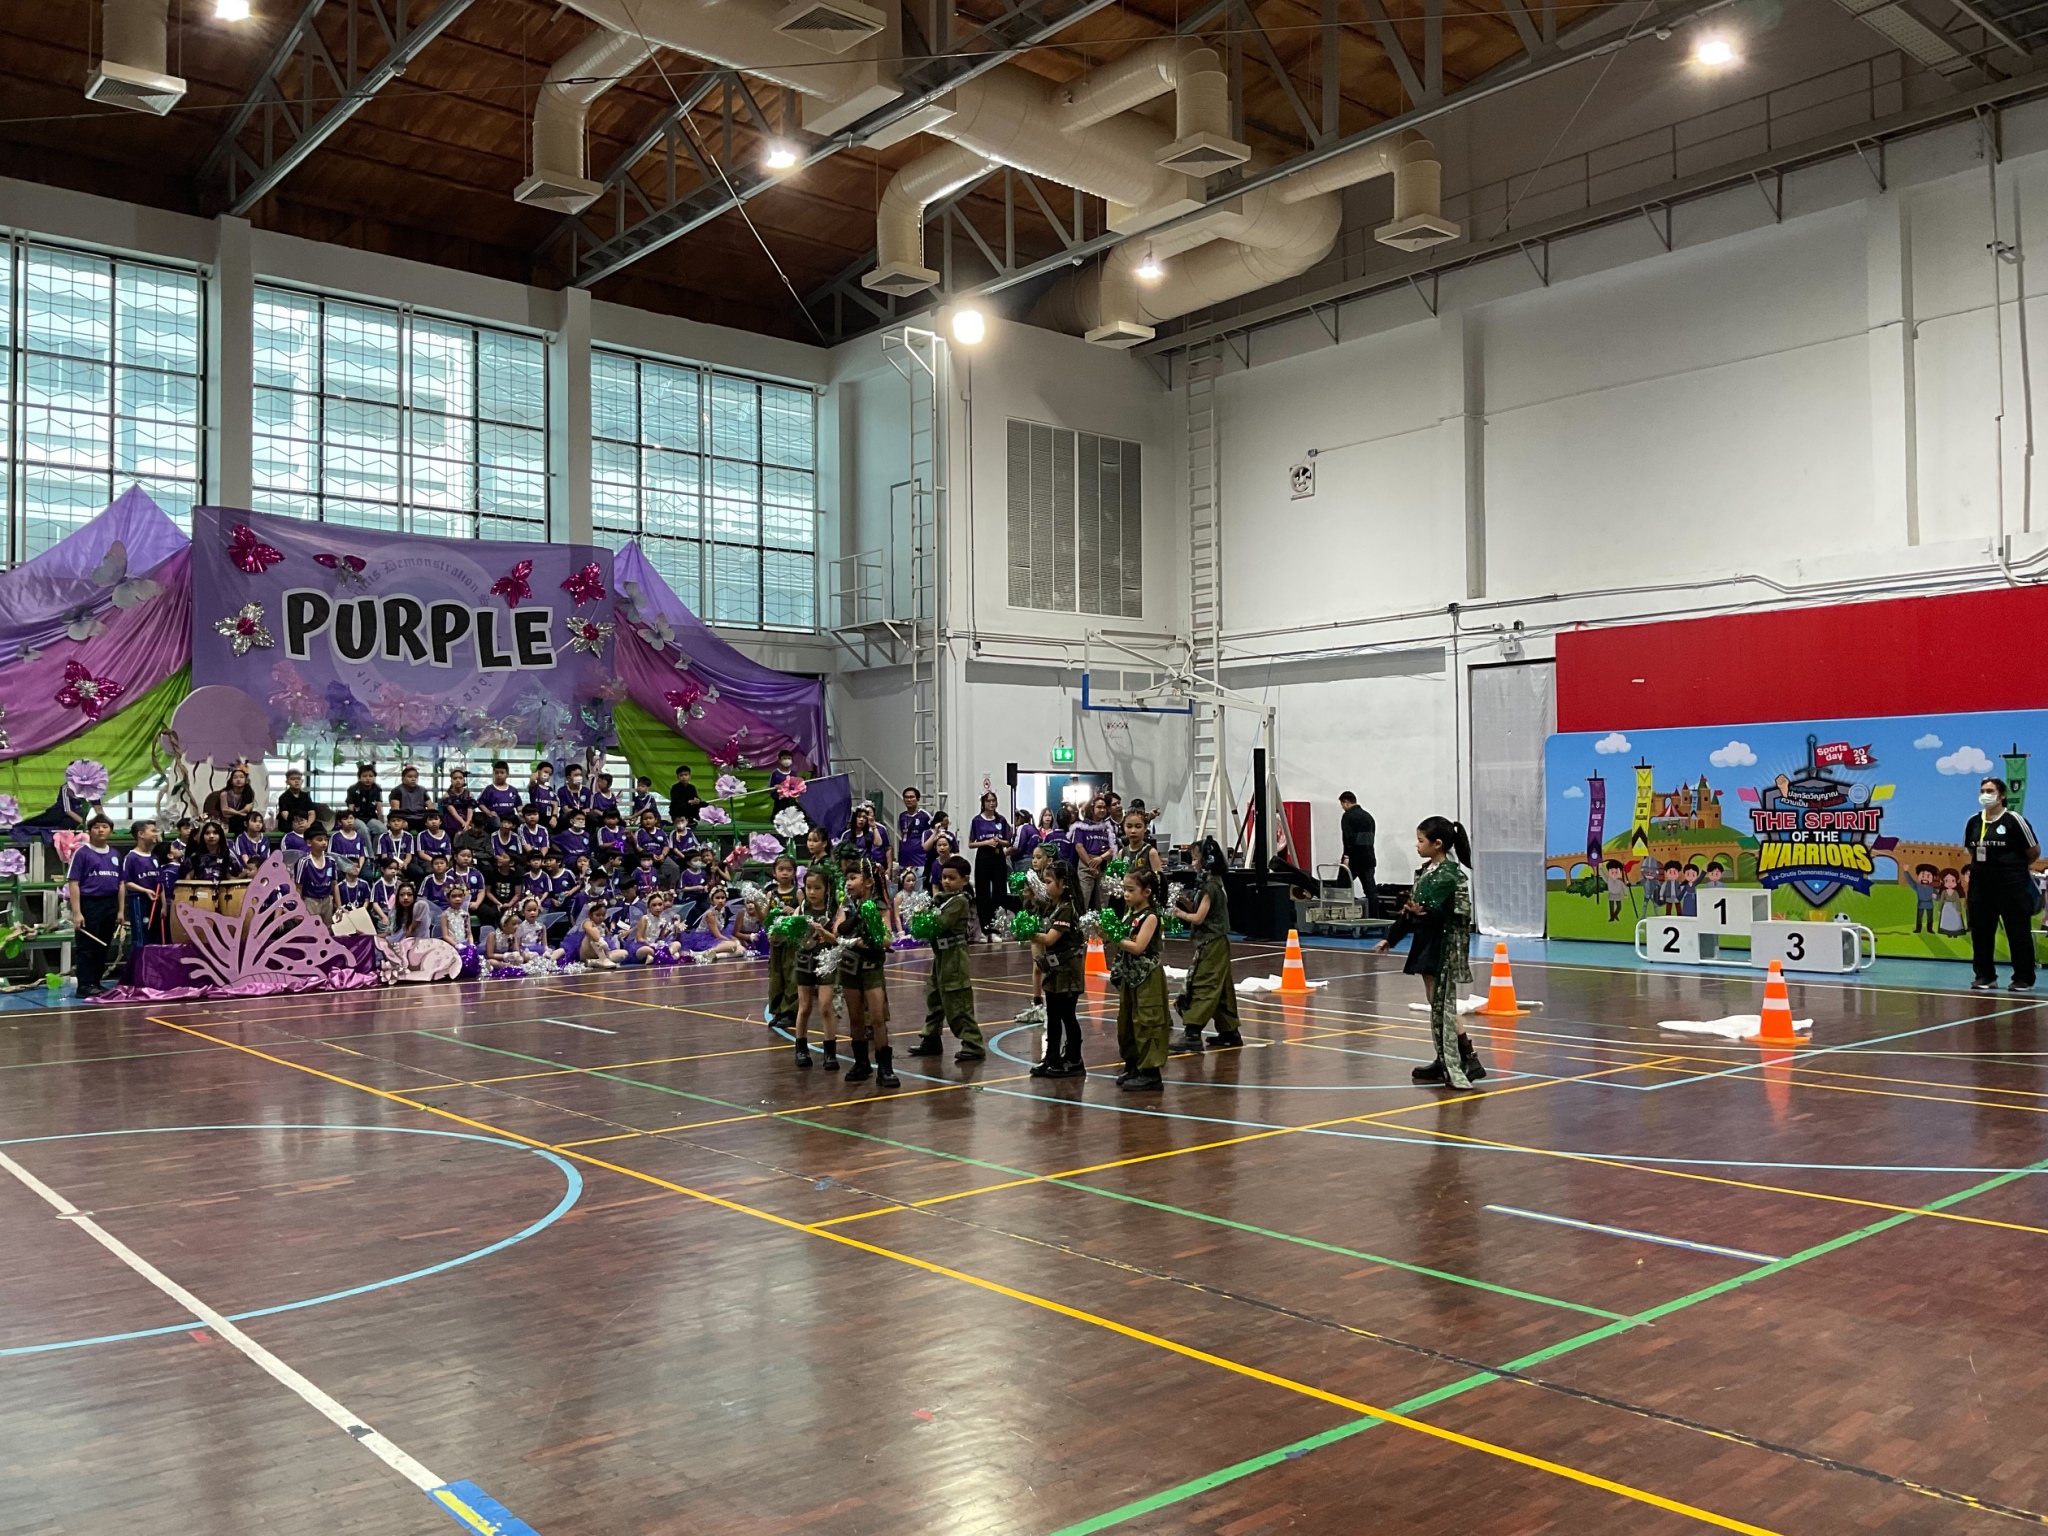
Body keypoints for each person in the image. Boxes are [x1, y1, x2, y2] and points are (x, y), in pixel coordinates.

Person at [1375, 816, 1486, 1090]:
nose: (1417, 845)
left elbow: (1444, 914)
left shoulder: (1450, 875)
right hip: (1426, 941)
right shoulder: (1426, 872)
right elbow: (1414, 909)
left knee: (1443, 1004)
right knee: (1435, 1001)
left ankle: (1466, 1059)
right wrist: (1391, 938)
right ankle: (1444, 1058)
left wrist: (1423, 911)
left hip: (1442, 943)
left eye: (1421, 840)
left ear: (1437, 844)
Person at [1965, 777, 2039, 991]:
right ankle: (1985, 976)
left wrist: (2012, 868)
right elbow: (1972, 850)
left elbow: (2033, 851)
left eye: (1990, 791)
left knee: (2018, 932)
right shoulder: (1973, 822)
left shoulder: (2014, 820)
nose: (1985, 795)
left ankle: (2023, 978)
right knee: (1981, 932)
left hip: (2012, 886)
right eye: (1982, 790)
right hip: (1981, 886)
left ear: (2002, 795)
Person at [908, 855, 983, 1062]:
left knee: (957, 999)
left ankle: (973, 1044)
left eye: (952, 878)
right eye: (944, 877)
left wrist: (923, 918)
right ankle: (931, 1038)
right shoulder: (941, 899)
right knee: (935, 996)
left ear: (964, 880)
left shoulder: (960, 901)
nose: (946, 882)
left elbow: (939, 924)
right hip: (941, 955)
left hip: (954, 956)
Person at [1171, 838, 1242, 1054]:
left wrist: (1179, 913)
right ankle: (1229, 1031)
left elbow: (1199, 917)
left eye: (1195, 858)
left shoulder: (1211, 887)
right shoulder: (1213, 883)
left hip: (1213, 943)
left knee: (1204, 985)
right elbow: (1200, 909)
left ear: (1207, 861)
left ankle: (1192, 1033)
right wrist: (1185, 901)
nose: (1193, 863)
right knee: (1222, 989)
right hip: (1214, 941)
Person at [837, 863, 897, 1087]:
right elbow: (838, 930)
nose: (848, 883)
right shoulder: (847, 904)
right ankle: (861, 1063)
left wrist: (871, 938)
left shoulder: (879, 905)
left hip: (871, 966)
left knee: (877, 1017)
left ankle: (885, 1068)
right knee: (855, 1018)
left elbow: (887, 939)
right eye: (847, 879)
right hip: (849, 966)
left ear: (869, 882)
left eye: (853, 878)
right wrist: (851, 933)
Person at [1111, 866, 1169, 1093]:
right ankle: (1134, 1065)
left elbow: (1138, 947)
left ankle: (1151, 1073)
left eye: (1130, 890)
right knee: (1127, 1021)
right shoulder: (1130, 912)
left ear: (1146, 892)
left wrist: (1112, 936)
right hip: (1130, 975)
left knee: (1147, 1022)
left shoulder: (1150, 916)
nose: (1125, 894)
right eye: (1124, 889)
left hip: (1147, 976)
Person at [1029, 860, 1087, 1078]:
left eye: (1048, 882)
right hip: (1055, 970)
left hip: (1068, 972)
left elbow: (1049, 939)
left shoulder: (1067, 909)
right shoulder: (1054, 906)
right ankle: (1052, 1057)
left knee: (1067, 1015)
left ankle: (1074, 1059)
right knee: (1053, 1016)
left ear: (1063, 884)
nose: (1045, 886)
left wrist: (1026, 932)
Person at [67, 815, 124, 996]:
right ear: (89, 831)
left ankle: (96, 983)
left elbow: (121, 884)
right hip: (90, 904)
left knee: (103, 945)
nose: (100, 830)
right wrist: (77, 913)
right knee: (87, 947)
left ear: (111, 831)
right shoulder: (82, 853)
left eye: (105, 827)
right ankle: (84, 986)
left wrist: (121, 910)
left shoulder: (115, 855)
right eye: (96, 827)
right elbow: (74, 883)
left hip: (110, 904)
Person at [791, 868, 841, 1069]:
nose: (812, 892)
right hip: (804, 959)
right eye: (808, 887)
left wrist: (823, 932)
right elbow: (792, 935)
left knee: (826, 1006)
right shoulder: (801, 909)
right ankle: (801, 1049)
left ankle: (830, 1052)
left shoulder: (834, 912)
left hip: (826, 960)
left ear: (827, 889)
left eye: (817, 888)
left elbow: (837, 939)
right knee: (804, 1007)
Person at [764, 855, 802, 1033]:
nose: (785, 873)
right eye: (781, 869)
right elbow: (765, 917)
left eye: (789, 870)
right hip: (775, 940)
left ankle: (790, 1011)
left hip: (792, 941)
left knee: (790, 974)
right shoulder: (771, 894)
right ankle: (777, 1010)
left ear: (794, 872)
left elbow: (805, 915)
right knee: (776, 975)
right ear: (774, 872)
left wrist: (794, 911)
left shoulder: (798, 893)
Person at [120, 820, 169, 955]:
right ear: (141, 834)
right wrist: (145, 890)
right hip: (139, 902)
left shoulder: (154, 858)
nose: (156, 834)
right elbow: (126, 882)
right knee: (142, 938)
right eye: (152, 831)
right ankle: (139, 965)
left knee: (156, 938)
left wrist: (164, 905)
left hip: (156, 903)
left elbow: (160, 883)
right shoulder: (131, 858)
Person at [968, 791, 1012, 935]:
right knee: (983, 891)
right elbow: (971, 844)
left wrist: (999, 841)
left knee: (1000, 890)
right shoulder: (977, 821)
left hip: (998, 856)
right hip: (983, 856)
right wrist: (986, 842)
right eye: (988, 801)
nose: (991, 803)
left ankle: (999, 922)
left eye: (993, 800)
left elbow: (1007, 842)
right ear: (983, 803)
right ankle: (984, 925)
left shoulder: (1001, 820)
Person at [1071, 796, 1114, 910]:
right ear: (1092, 809)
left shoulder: (1108, 827)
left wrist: (1101, 858)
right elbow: (1079, 847)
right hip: (1086, 863)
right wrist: (1091, 864)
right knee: (1083, 899)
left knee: (1103, 901)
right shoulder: (1082, 826)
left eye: (1104, 807)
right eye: (1099, 807)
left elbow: (1113, 848)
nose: (1102, 810)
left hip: (1103, 863)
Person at [1338, 791, 1377, 914]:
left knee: (1341, 888)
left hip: (1354, 858)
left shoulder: (1348, 816)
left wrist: (1346, 856)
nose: (1343, 807)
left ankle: (1342, 915)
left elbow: (1348, 838)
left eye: (1342, 804)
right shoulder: (1368, 816)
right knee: (1370, 891)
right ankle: (1375, 917)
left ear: (1346, 802)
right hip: (1369, 858)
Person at [295, 828, 339, 921]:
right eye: (319, 840)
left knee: (327, 928)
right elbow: (298, 887)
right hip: (310, 901)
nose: (324, 843)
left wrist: (339, 906)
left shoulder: (331, 861)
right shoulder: (304, 862)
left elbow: (334, 884)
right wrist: (299, 909)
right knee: (309, 928)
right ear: (309, 842)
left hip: (327, 900)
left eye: (326, 840)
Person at [897, 786, 932, 883]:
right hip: (904, 860)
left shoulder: (925, 816)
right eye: (906, 797)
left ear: (918, 799)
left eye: (911, 797)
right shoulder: (902, 816)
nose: (908, 799)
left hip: (919, 860)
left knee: (919, 888)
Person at [276, 767, 318, 832]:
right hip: (290, 823)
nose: (296, 781)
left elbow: (311, 813)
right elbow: (285, 815)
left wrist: (308, 824)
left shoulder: (306, 796)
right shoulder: (283, 797)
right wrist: (297, 824)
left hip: (306, 822)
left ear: (302, 781)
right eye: (293, 779)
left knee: (317, 827)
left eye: (298, 779)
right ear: (287, 782)